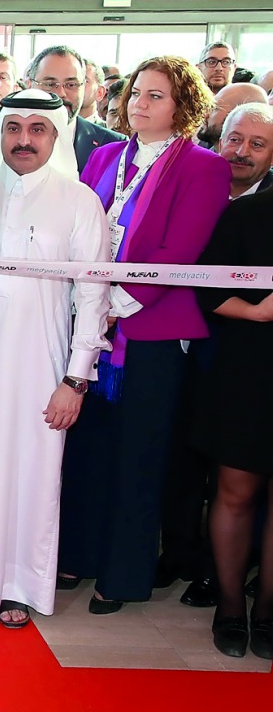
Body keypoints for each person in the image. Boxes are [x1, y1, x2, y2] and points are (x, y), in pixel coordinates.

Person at [0, 90, 110, 628]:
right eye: (13, 128)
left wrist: (75, 380)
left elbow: (93, 296)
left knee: (30, 472)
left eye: (37, 129)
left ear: (56, 136)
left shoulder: (79, 201)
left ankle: (17, 585)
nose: (24, 140)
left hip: (42, 364)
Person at [59, 56, 230, 614]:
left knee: (139, 456)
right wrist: (91, 306)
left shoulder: (203, 167)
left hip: (153, 332)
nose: (140, 103)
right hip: (91, 323)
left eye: (156, 95)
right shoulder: (104, 156)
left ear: (183, 106)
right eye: (136, 92)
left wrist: (114, 306)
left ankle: (122, 575)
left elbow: (180, 252)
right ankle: (77, 554)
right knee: (87, 449)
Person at [193, 187, 273, 659]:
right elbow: (207, 288)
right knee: (236, 492)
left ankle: (267, 611)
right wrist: (257, 311)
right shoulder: (248, 213)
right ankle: (228, 607)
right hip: (251, 369)